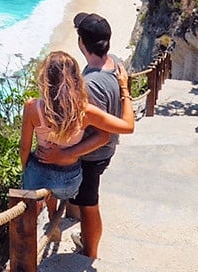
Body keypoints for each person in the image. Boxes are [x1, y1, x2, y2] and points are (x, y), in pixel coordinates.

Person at [20, 50, 135, 246]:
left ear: (45, 78)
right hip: (69, 183)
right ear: (75, 78)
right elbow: (125, 127)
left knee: (36, 182)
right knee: (55, 187)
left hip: (38, 176)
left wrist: (26, 172)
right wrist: (124, 88)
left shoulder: (32, 107)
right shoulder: (84, 110)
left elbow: (24, 148)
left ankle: (46, 222)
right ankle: (53, 218)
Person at [37, 12, 124, 258]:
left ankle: (90, 252)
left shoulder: (89, 85)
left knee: (89, 206)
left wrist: (62, 153)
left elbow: (101, 134)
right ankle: (72, 223)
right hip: (104, 150)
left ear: (81, 43)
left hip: (92, 154)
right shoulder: (114, 63)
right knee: (82, 199)